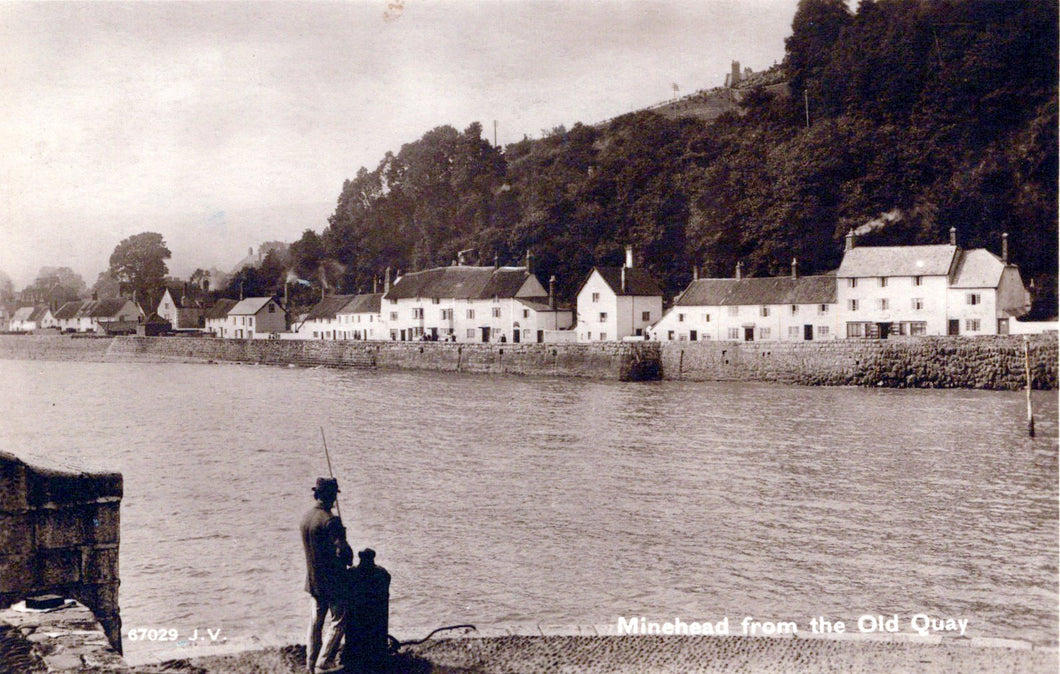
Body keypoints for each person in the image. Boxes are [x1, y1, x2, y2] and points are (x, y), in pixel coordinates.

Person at [301, 477, 352, 673]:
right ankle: (324, 662)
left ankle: (310, 663)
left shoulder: (306, 517)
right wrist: (344, 540)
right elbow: (344, 554)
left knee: (315, 623)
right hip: (332, 582)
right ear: (331, 496)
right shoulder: (331, 521)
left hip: (313, 580)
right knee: (339, 619)